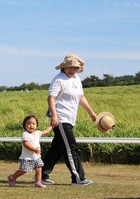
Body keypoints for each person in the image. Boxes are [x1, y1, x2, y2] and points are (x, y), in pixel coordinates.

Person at [41, 54, 97, 186]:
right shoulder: (58, 80)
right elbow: (51, 98)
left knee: (57, 148)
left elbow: (81, 97)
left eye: (75, 68)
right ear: (64, 67)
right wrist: (54, 116)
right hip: (61, 118)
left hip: (70, 119)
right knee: (71, 148)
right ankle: (78, 179)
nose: (72, 70)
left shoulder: (76, 79)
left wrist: (91, 112)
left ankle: (41, 174)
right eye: (69, 67)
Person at [8, 115, 52, 188]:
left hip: (36, 157)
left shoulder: (37, 133)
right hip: (27, 157)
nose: (31, 125)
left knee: (39, 169)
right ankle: (12, 177)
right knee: (23, 170)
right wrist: (34, 149)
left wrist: (52, 125)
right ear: (24, 125)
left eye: (33, 124)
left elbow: (46, 131)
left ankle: (38, 182)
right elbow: (25, 144)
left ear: (36, 125)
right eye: (29, 123)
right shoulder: (25, 134)